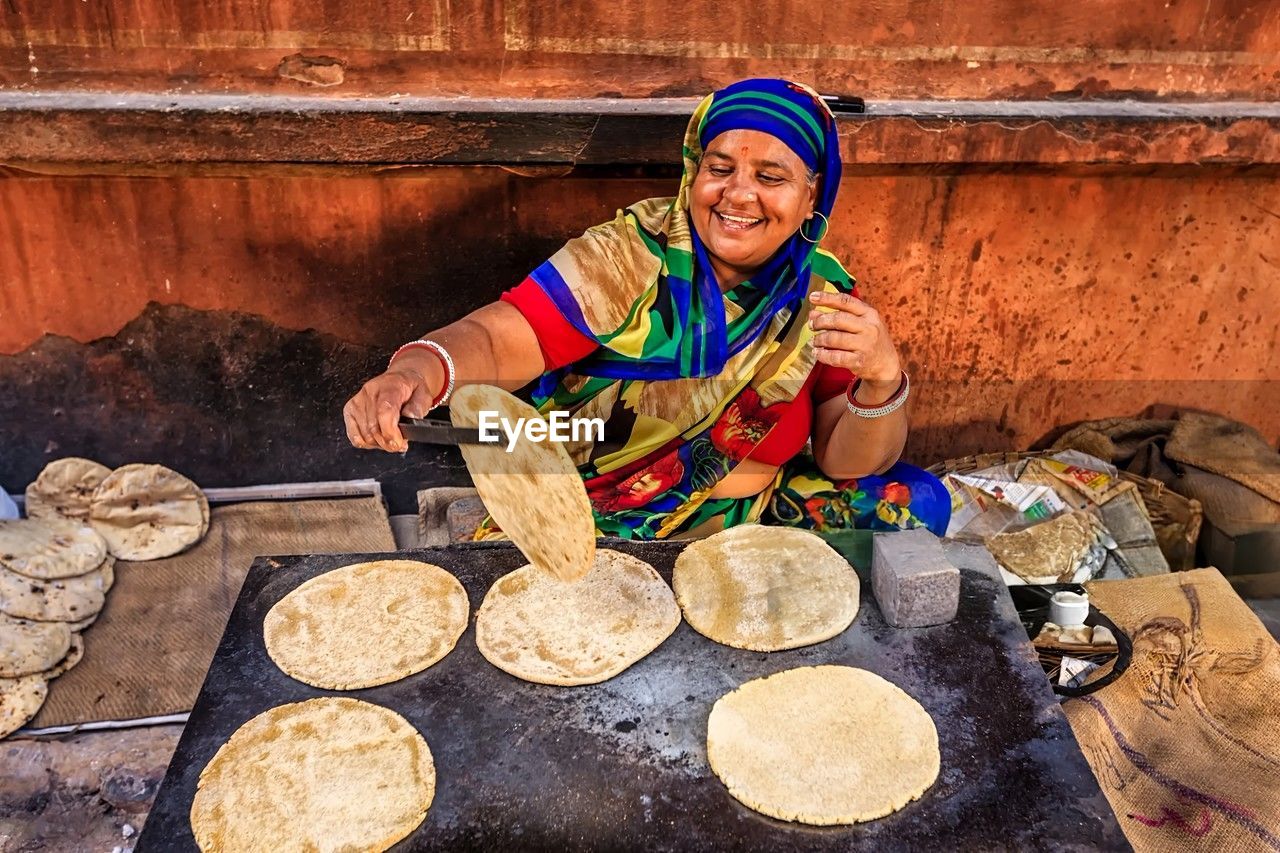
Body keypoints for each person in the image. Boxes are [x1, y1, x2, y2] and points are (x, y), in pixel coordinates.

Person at [344, 78, 949, 540]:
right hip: (603, 510)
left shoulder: (821, 292)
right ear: (693, 172)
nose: (738, 194)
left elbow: (846, 459)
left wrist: (882, 379)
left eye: (771, 176)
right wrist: (415, 374)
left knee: (917, 504)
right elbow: (501, 338)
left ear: (812, 193)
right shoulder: (630, 255)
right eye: (720, 168)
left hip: (749, 513)